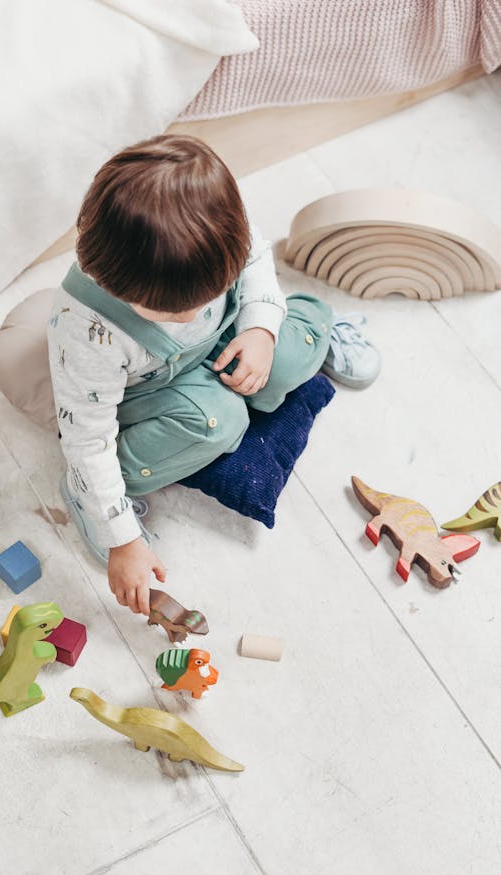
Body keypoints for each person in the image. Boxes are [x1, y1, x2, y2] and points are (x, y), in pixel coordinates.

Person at [47, 134, 379, 617]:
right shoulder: (89, 331)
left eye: (208, 292)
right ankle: (86, 495)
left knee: (288, 353)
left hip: (228, 336)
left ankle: (316, 332)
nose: (189, 314)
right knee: (219, 423)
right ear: (112, 279)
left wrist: (261, 329)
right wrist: (120, 538)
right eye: (168, 309)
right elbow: (87, 438)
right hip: (152, 384)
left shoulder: (216, 228)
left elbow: (257, 260)